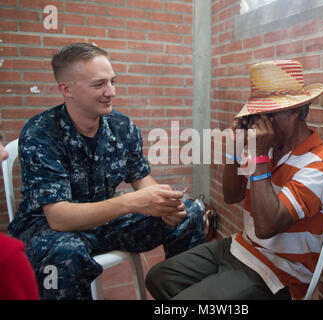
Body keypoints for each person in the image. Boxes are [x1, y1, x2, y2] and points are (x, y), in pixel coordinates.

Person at [7, 43, 205, 300]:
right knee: (64, 254)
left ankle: (183, 301)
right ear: (66, 90)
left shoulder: (122, 126)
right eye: (99, 84)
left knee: (188, 213)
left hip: (104, 219)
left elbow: (141, 181)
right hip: (51, 229)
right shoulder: (40, 133)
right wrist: (132, 202)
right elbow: (58, 217)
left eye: (112, 81)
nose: (111, 92)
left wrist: (164, 204)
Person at [146, 60, 323, 300]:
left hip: (280, 274)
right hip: (240, 248)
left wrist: (259, 157)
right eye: (256, 115)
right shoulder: (267, 147)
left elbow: (266, 227)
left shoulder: (319, 164)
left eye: (266, 115)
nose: (259, 124)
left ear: (294, 111)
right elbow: (231, 195)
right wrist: (236, 147)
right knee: (159, 277)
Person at [0, 143, 39, 300]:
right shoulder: (8, 259)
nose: (4, 153)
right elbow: (58, 216)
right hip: (46, 227)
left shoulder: (116, 127)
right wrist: (121, 203)